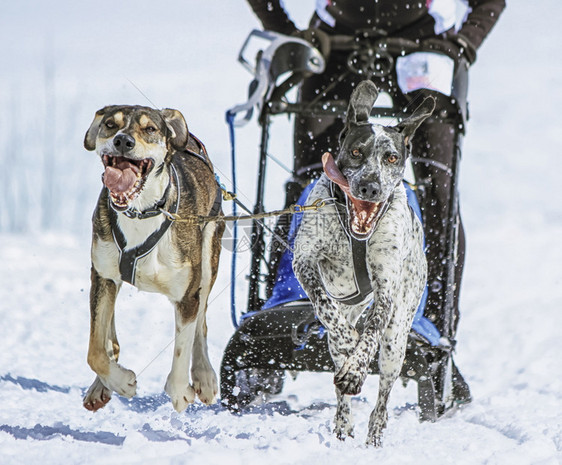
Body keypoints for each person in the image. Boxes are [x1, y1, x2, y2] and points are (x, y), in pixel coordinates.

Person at [245, 0, 505, 402]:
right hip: (334, 43)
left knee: (437, 195)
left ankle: (434, 333)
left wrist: (466, 42)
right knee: (311, 183)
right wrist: (287, 31)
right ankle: (286, 304)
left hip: (425, 44)